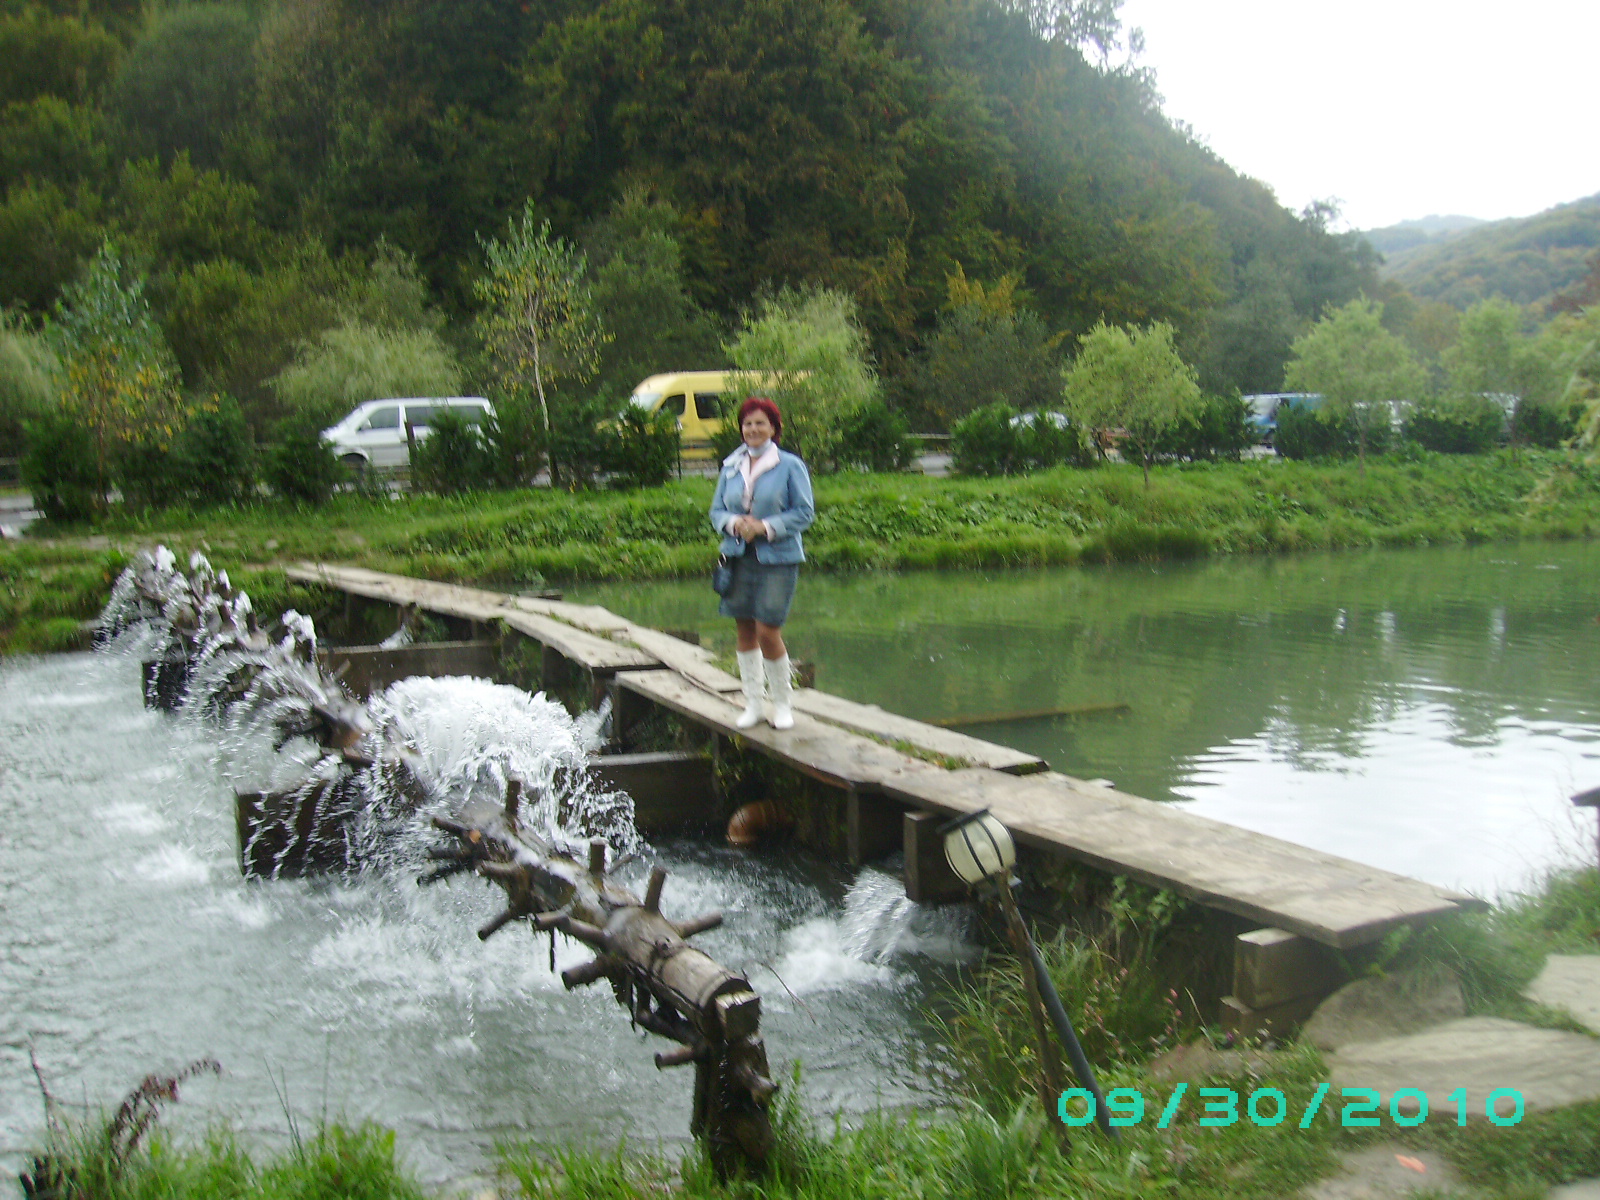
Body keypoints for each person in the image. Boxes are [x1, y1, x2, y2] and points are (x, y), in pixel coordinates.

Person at [709, 396, 815, 730]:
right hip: (738, 556)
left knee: (768, 630)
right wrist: (733, 523)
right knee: (743, 628)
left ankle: (782, 704)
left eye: (760, 423)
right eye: (747, 423)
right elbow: (716, 512)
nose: (753, 429)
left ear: (773, 427)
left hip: (778, 558)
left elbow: (804, 513)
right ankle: (753, 704)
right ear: (741, 429)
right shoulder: (731, 466)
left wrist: (765, 527)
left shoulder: (789, 465)